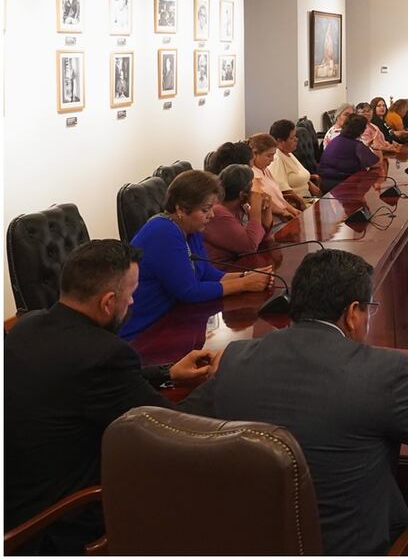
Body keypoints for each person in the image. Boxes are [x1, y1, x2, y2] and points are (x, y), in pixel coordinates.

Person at [180, 249, 408, 555]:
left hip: (259, 545)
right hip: (355, 547)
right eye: (368, 309)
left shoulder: (236, 359)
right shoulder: (382, 372)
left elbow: (176, 422)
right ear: (352, 313)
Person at [5, 240, 217, 554]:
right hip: (58, 524)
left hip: (15, 502)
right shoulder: (105, 354)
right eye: (131, 293)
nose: (132, 301)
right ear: (108, 302)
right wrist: (224, 373)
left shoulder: (29, 326)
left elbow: (78, 380)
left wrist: (167, 373)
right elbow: (175, 426)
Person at [118, 171, 272, 340]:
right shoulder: (162, 232)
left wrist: (247, 275)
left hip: (173, 318)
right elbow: (189, 291)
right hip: (144, 332)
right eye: (206, 209)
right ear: (181, 209)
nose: (212, 215)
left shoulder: (191, 229)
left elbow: (207, 273)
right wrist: (244, 284)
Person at [203, 164, 274, 262]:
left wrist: (267, 207)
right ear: (242, 194)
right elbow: (250, 245)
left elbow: (264, 238)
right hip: (225, 268)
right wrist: (256, 207)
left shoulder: (240, 207)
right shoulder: (217, 212)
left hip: (241, 262)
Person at [317, 114, 381, 193]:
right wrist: (377, 146)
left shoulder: (335, 140)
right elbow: (377, 164)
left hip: (325, 184)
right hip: (344, 186)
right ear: (362, 130)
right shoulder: (356, 145)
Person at [249, 133, 303, 220]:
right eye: (269, 156)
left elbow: (279, 197)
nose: (272, 159)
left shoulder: (265, 170)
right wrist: (285, 213)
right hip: (273, 219)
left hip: (283, 215)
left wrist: (292, 210)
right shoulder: (252, 174)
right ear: (254, 154)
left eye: (273, 155)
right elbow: (263, 200)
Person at [267, 119, 321, 202]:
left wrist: (310, 184)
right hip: (298, 204)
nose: (296, 139)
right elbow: (283, 190)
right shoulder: (277, 158)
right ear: (280, 141)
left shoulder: (289, 153)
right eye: (292, 138)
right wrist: (302, 204)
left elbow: (299, 175)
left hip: (309, 199)